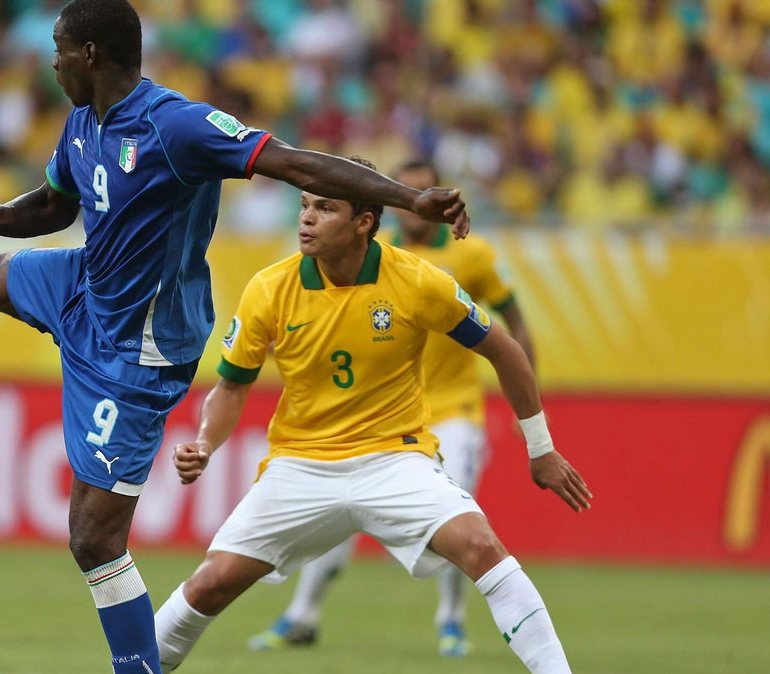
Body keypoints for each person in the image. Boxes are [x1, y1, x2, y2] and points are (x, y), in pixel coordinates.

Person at [0, 2, 468, 672]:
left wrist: (406, 199)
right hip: (86, 285)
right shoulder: (81, 121)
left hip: (140, 346)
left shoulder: (175, 126)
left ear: (90, 54)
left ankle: (139, 668)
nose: (51, 61)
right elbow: (57, 204)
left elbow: (297, 165)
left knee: (94, 539)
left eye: (59, 48)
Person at [153, 157, 590, 674]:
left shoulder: (417, 280)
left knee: (480, 545)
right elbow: (231, 386)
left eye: (326, 208)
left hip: (394, 459)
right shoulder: (269, 289)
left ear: (364, 222)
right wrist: (205, 442)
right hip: (301, 465)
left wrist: (540, 449)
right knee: (210, 583)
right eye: (305, 206)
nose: (307, 220)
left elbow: (506, 351)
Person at [246, 159, 535, 657]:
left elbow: (513, 326)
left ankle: (451, 619)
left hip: (456, 409)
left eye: (421, 192)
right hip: (388, 414)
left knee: (459, 510)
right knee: (337, 509)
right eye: (404, 191)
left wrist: (528, 397)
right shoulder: (373, 253)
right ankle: (303, 614)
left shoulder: (474, 256)